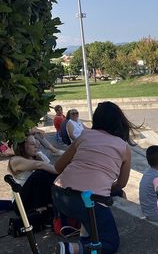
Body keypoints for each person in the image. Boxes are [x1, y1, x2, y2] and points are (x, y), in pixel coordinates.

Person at [52, 101, 137, 254]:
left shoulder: (84, 135)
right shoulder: (124, 148)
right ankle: (71, 249)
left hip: (58, 194)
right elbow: (121, 184)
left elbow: (58, 167)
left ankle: (85, 233)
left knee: (88, 214)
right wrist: (103, 185)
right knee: (110, 243)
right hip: (87, 201)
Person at [7, 135, 57, 218]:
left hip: (36, 199)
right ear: (22, 146)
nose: (36, 146)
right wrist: (61, 171)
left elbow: (51, 172)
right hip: (22, 204)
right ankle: (43, 212)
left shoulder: (39, 156)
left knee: (49, 174)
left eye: (36, 143)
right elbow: (39, 165)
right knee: (40, 173)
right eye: (32, 144)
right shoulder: (15, 160)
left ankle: (50, 208)